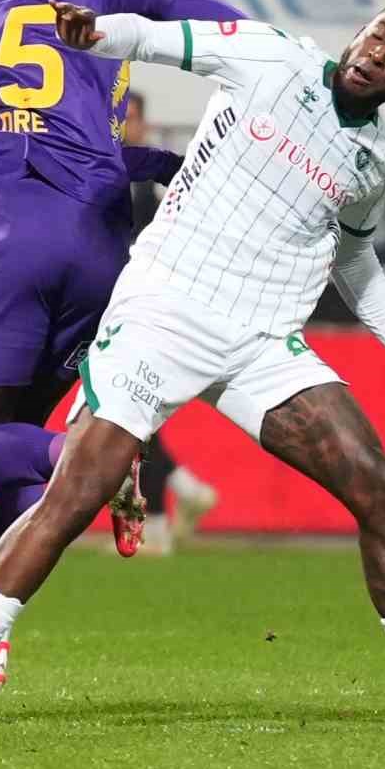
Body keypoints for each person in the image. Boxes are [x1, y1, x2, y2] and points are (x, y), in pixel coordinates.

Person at [0, 0, 385, 729]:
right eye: (377, 35)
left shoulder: (377, 160)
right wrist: (97, 34)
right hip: (164, 312)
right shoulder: (272, 56)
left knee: (379, 482)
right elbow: (156, 38)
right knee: (79, 490)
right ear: (358, 32)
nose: (378, 54)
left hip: (262, 339)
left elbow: (354, 256)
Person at [0, 0, 246, 700]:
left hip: (10, 236)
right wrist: (262, 76)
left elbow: (34, 134)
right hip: (101, 247)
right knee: (13, 439)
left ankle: (89, 457)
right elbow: (216, 23)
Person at [123, 92, 220, 553]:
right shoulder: (107, 172)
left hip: (144, 308)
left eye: (132, 117)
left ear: (144, 124)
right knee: (136, 414)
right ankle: (173, 503)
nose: (125, 125)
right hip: (116, 306)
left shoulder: (155, 182)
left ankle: (164, 515)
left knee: (130, 413)